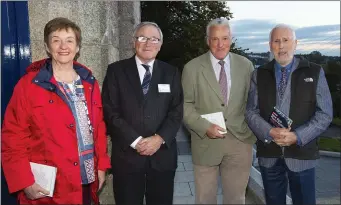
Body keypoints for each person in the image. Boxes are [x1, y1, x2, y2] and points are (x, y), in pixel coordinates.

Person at [1, 17, 111, 204]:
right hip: (49, 185)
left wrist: (101, 166)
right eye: (56, 40)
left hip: (86, 177)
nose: (63, 46)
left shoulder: (89, 83)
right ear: (47, 46)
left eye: (69, 40)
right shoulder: (28, 85)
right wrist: (23, 181)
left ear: (77, 47)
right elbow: (12, 136)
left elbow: (99, 128)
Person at [245, 24, 333, 205]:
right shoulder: (259, 74)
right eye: (276, 41)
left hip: (302, 155)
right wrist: (269, 132)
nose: (281, 46)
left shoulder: (314, 71)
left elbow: (325, 113)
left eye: (286, 40)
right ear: (270, 45)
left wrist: (297, 136)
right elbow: (250, 111)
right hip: (269, 154)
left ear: (295, 43)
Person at [102, 21, 183, 205]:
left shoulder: (171, 73)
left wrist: (159, 138)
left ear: (160, 44)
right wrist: (136, 141)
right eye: (142, 38)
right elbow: (110, 111)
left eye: (154, 39)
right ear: (133, 42)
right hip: (127, 158)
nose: (148, 44)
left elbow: (176, 111)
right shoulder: (116, 71)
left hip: (162, 157)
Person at [182, 17, 256, 204]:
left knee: (236, 199)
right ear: (208, 41)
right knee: (205, 199)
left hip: (240, 142)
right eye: (215, 39)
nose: (220, 44)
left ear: (231, 39)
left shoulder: (246, 65)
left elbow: (253, 103)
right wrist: (204, 126)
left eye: (225, 38)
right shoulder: (192, 68)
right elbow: (184, 105)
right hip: (206, 141)